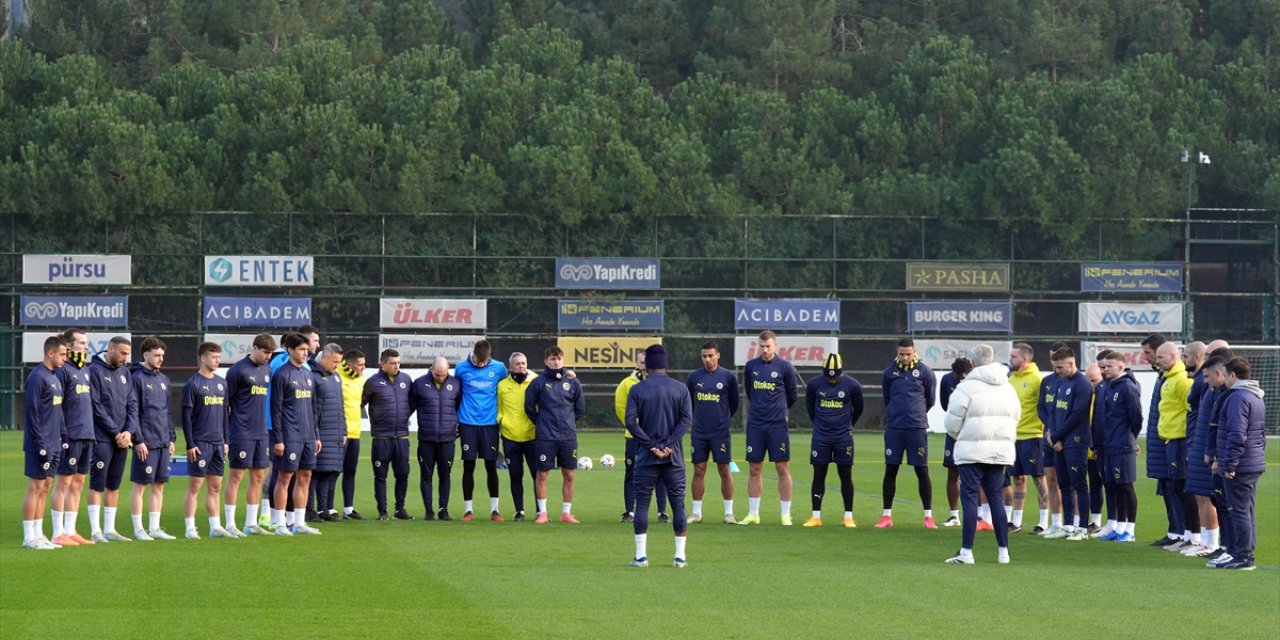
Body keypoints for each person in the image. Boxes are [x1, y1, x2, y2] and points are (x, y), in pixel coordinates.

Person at [943, 344, 1020, 564]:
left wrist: (964, 435)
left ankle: (967, 552)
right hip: (999, 450)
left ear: (973, 363)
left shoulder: (967, 387)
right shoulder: (1008, 386)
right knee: (995, 497)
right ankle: (1003, 552)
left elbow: (952, 422)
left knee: (969, 498)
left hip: (971, 450)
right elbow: (1016, 416)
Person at [624, 344, 692, 568]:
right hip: (674, 457)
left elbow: (630, 423)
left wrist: (652, 445)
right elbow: (686, 421)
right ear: (666, 364)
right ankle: (680, 557)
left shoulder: (637, 389)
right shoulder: (681, 388)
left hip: (646, 456)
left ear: (647, 366)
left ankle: (641, 557)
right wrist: (669, 443)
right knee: (678, 506)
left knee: (642, 505)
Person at [1210, 357, 1266, 571]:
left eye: (1224, 375)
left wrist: (1230, 464)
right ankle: (1243, 553)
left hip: (1241, 464)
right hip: (1252, 461)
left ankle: (1243, 556)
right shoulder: (1255, 396)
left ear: (1232, 375)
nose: (1223, 379)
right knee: (1246, 510)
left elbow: (1237, 433)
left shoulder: (1237, 398)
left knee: (1238, 510)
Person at [741, 330, 799, 526]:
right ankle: (753, 514)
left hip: (777, 425)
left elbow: (792, 396)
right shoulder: (751, 367)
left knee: (782, 467)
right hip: (756, 424)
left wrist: (778, 411)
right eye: (762, 346)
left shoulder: (785, 367)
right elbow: (750, 392)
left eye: (768, 346)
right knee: (754, 468)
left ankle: (785, 515)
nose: (765, 350)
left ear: (775, 346)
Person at [876, 337, 935, 529]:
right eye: (902, 354)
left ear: (914, 352)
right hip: (895, 428)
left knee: (922, 470)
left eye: (908, 354)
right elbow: (887, 397)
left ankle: (928, 517)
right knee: (891, 470)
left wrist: (915, 414)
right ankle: (886, 516)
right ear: (897, 352)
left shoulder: (924, 372)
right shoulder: (889, 373)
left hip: (916, 428)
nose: (905, 357)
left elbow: (930, 398)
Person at [524, 345, 585, 524]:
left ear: (563, 360)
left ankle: (566, 513)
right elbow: (528, 407)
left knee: (569, 475)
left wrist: (569, 423)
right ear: (546, 361)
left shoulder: (573, 382)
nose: (556, 361)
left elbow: (580, 408)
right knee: (542, 475)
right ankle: (542, 513)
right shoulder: (538, 383)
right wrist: (542, 423)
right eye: (552, 358)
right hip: (546, 437)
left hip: (568, 436)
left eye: (558, 358)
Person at [223, 333, 276, 536]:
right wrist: (227, 434)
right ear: (254, 348)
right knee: (236, 476)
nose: (268, 357)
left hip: (261, 433)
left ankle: (250, 523)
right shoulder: (237, 371)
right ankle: (229, 524)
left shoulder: (267, 370)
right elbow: (226, 404)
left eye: (270, 353)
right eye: (265, 352)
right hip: (240, 432)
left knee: (258, 477)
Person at [802, 353, 863, 528]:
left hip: (843, 437)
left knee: (846, 476)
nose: (832, 380)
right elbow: (810, 408)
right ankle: (815, 517)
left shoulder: (852, 385)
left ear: (841, 372)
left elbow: (858, 408)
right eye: (829, 377)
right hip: (821, 437)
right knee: (819, 475)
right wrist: (822, 426)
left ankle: (848, 517)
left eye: (835, 376)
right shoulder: (814, 384)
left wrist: (847, 425)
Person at [180, 342, 233, 539]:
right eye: (214, 357)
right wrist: (190, 444)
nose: (217, 360)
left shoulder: (222, 383)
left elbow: (226, 414)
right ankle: (190, 528)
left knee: (215, 486)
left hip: (219, 443)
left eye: (219, 357)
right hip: (200, 443)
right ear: (203, 358)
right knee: (195, 486)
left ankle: (215, 526)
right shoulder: (193, 384)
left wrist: (226, 441)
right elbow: (186, 418)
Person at [269, 333, 321, 536]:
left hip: (308, 435)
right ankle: (279, 523)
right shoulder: (282, 374)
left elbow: (314, 408)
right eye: (301, 349)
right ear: (290, 350)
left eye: (306, 350)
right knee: (285, 478)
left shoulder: (308, 375)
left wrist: (316, 435)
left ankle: (299, 523)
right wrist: (279, 439)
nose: (305, 353)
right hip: (290, 436)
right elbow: (276, 409)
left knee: (306, 476)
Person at [86, 336, 136, 543]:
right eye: (122, 353)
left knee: (114, 485)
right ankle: (95, 530)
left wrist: (129, 432)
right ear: (111, 349)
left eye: (127, 354)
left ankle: (110, 529)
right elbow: (95, 406)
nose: (125, 358)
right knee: (97, 484)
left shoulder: (125, 373)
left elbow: (132, 404)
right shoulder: (94, 371)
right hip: (103, 438)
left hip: (123, 439)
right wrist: (116, 432)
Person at [49, 328, 95, 546]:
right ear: (68, 346)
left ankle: (70, 530)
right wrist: (61, 434)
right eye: (81, 343)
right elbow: (57, 406)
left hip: (87, 434)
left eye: (86, 344)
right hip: (71, 435)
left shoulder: (85, 370)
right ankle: (57, 533)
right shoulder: (63, 370)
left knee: (78, 482)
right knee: (64, 482)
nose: (86, 347)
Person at [685, 341, 739, 524]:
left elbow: (734, 403)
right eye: (704, 356)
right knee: (699, 470)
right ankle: (696, 513)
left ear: (718, 355)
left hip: (720, 432)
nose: (707, 359)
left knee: (724, 469)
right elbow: (689, 404)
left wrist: (722, 419)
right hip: (699, 432)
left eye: (710, 355)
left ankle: (729, 513)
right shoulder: (693, 377)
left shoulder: (728, 377)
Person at [129, 337, 176, 541]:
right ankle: (139, 529)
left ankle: (154, 527)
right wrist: (138, 440)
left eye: (162, 356)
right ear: (145, 354)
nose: (160, 359)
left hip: (163, 441)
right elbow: (133, 412)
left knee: (159, 485)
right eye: (156, 355)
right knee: (140, 485)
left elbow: (167, 412)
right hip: (145, 442)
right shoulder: (136, 378)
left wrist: (171, 438)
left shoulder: (164, 380)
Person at [455, 339, 508, 521]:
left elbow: (512, 383)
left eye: (484, 362)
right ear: (473, 354)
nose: (481, 364)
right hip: (467, 423)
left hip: (490, 424)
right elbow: (455, 393)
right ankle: (468, 510)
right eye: (479, 361)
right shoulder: (461, 368)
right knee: (468, 465)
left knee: (491, 465)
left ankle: (495, 510)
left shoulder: (500, 368)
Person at [22, 335, 67, 550]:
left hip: (55, 443)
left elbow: (57, 412)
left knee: (46, 486)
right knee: (35, 487)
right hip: (39, 443)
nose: (65, 359)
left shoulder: (55, 377)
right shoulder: (37, 377)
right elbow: (32, 414)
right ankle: (28, 537)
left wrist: (63, 436)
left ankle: (39, 534)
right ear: (50, 353)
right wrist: (40, 444)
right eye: (62, 354)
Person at [1045, 348, 1092, 541]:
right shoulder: (1061, 382)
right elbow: (1054, 411)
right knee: (1064, 485)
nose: (1057, 371)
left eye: (1060, 367)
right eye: (1055, 367)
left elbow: (1077, 415)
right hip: (1059, 442)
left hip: (1076, 442)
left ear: (1071, 363)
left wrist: (1056, 436)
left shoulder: (1083, 384)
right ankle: (1067, 526)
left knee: (1079, 484)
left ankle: (1083, 529)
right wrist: (1053, 437)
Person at [1140, 333, 1183, 547]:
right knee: (1167, 487)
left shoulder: (1180, 378)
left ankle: (1184, 533)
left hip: (1174, 441)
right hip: (1162, 441)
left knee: (1177, 488)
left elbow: (1188, 410)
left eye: (1149, 353)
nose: (1149, 358)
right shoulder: (1163, 376)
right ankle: (1175, 532)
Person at [1155, 341, 1198, 551]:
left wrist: (1188, 439)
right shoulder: (1168, 379)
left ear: (1173, 356)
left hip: (1180, 441)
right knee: (1177, 488)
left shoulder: (1181, 380)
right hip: (1170, 439)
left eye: (1161, 357)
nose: (1157, 361)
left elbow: (1191, 410)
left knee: (1184, 488)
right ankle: (1186, 536)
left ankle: (1194, 537)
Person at [1096, 350, 1142, 543]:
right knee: (1114, 485)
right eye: (1104, 366)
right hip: (1108, 445)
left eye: (1109, 366)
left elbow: (1136, 417)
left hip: (1122, 445)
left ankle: (1130, 530)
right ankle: (1120, 526)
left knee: (1126, 486)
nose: (1105, 369)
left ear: (1121, 367)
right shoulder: (1108, 386)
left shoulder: (1127, 387)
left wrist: (1129, 437)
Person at [363, 348, 414, 521]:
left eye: (398, 363)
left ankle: (400, 509)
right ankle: (382, 511)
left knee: (402, 474)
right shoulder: (372, 382)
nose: (396, 366)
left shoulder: (406, 380)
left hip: (401, 438)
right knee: (381, 476)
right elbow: (360, 404)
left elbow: (412, 403)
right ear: (383, 364)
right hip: (381, 438)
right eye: (392, 363)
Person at [617, 350, 667, 524]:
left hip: (657, 435)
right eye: (641, 362)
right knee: (632, 473)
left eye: (647, 362)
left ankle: (662, 512)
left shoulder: (660, 383)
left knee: (661, 473)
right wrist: (636, 427)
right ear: (636, 363)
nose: (644, 365)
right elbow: (621, 409)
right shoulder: (627, 383)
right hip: (634, 436)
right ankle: (630, 511)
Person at [1180, 341, 1219, 557]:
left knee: (1207, 496)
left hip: (1204, 446)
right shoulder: (1204, 384)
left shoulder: (1216, 390)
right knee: (1199, 495)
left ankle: (1211, 544)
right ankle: (1205, 542)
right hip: (1196, 443)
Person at [411, 356, 461, 521]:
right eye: (437, 374)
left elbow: (459, 407)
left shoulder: (455, 384)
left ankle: (443, 509)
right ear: (431, 369)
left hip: (447, 439)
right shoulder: (419, 384)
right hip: (426, 439)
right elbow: (410, 406)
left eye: (444, 374)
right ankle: (429, 510)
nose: (441, 377)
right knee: (426, 475)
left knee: (445, 476)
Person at [1008, 343, 1050, 534]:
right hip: (1013, 436)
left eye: (1014, 357)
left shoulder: (1036, 379)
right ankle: (1016, 521)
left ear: (1025, 359)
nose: (1010, 360)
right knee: (1017, 478)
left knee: (1039, 478)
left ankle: (1043, 522)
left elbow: (1044, 407)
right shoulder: (1010, 379)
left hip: (1033, 436)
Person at [497, 352, 536, 521]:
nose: (521, 366)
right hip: (510, 437)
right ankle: (519, 511)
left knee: (537, 476)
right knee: (515, 475)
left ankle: (540, 511)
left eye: (524, 363)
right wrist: (502, 421)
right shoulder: (502, 385)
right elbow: (499, 408)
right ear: (511, 367)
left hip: (532, 436)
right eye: (518, 363)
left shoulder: (535, 382)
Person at [311, 343, 347, 522]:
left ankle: (323, 509)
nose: (337, 365)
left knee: (328, 472)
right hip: (321, 433)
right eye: (334, 361)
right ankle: (309, 509)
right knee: (314, 474)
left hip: (335, 433)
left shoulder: (336, 378)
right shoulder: (314, 377)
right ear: (324, 358)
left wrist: (344, 430)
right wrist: (315, 433)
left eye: (339, 362)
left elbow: (340, 407)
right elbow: (313, 411)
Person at [1035, 341, 1067, 536]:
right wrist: (1050, 430)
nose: (1053, 362)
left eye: (1057, 358)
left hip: (1065, 438)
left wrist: (1058, 433)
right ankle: (1055, 523)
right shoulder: (1046, 381)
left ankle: (1074, 523)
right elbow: (1041, 408)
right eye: (1051, 357)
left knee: (1068, 482)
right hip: (1048, 437)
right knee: (1051, 479)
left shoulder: (1073, 381)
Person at [939, 357, 974, 527]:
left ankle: (979, 515)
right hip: (954, 433)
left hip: (973, 433)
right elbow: (945, 405)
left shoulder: (976, 382)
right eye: (958, 377)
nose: (960, 380)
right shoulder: (947, 380)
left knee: (974, 473)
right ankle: (954, 515)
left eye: (963, 377)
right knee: (953, 472)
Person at [338, 349, 366, 519]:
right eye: (360, 365)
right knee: (332, 472)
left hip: (355, 432)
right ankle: (325, 508)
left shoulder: (360, 379)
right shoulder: (337, 376)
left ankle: (348, 509)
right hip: (340, 432)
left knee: (350, 471)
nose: (364, 368)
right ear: (350, 365)